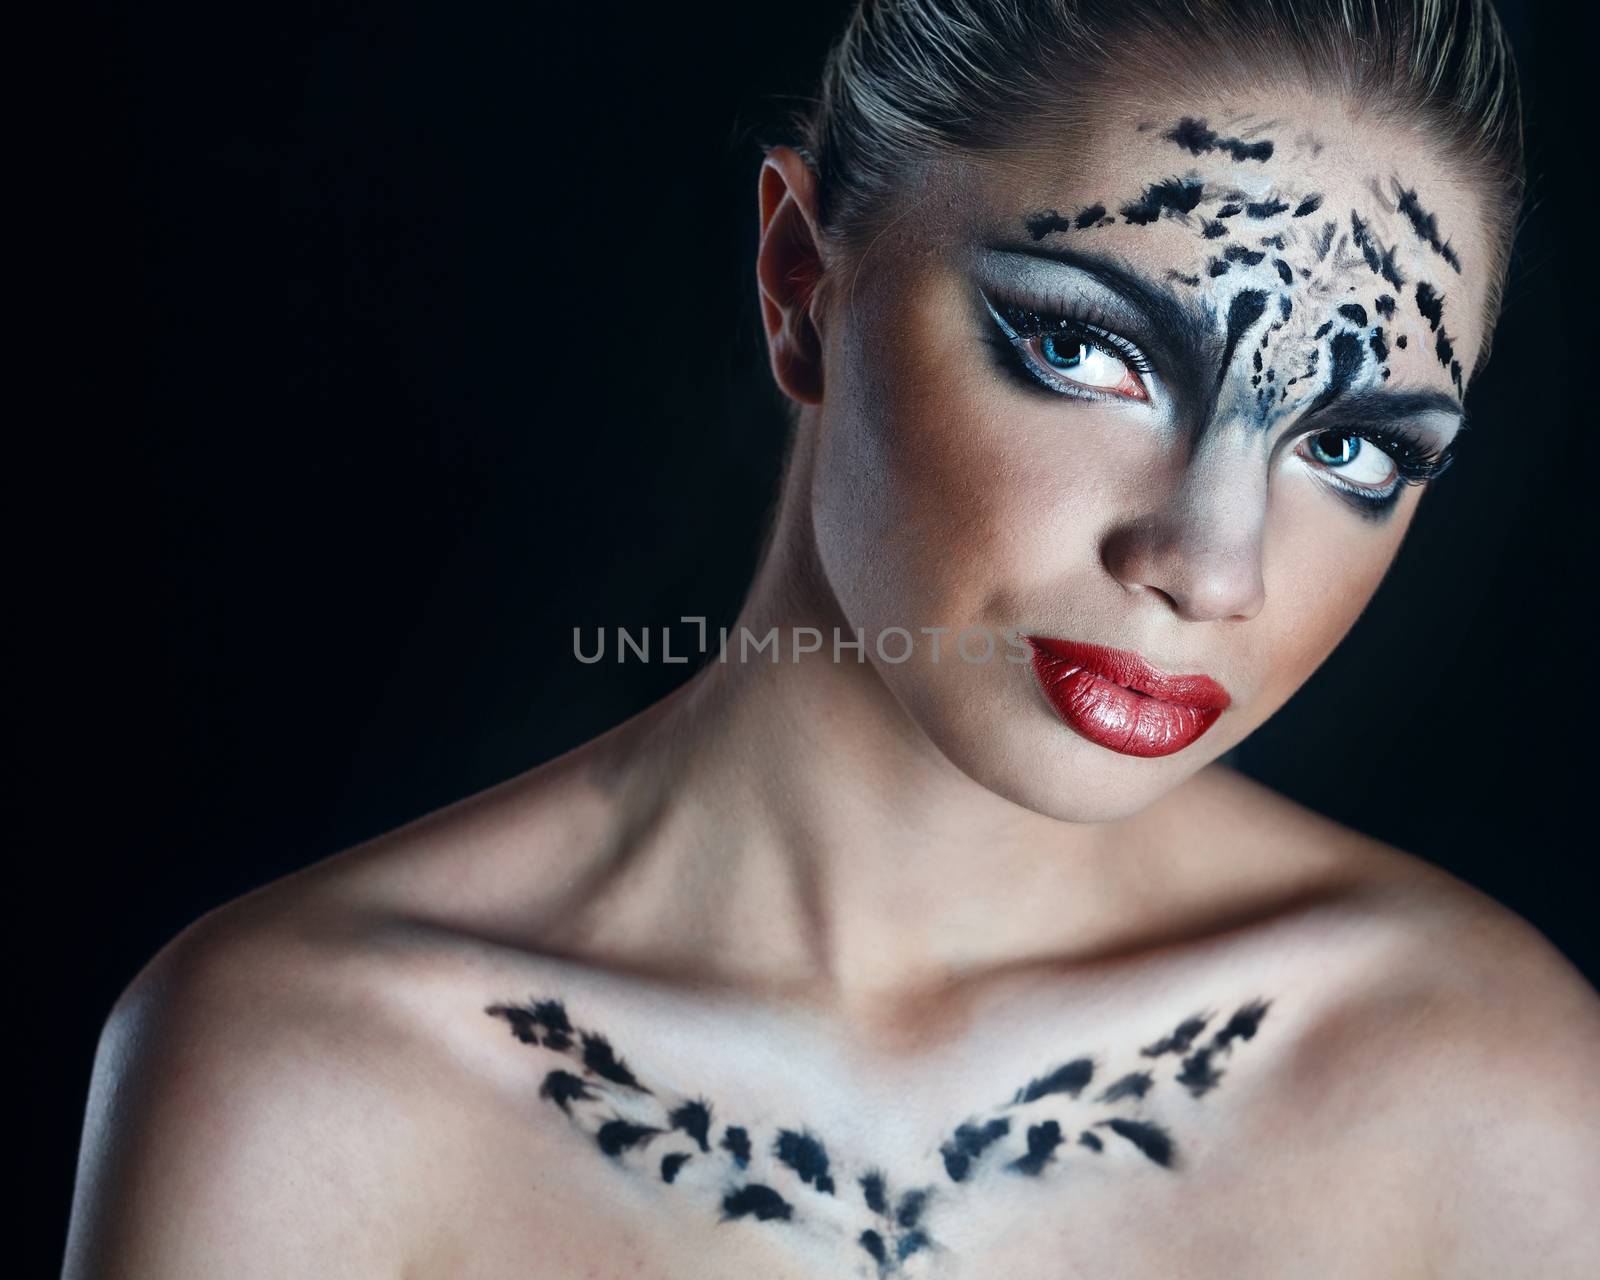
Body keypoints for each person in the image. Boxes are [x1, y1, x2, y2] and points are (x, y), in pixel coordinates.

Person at [63, 1, 1599, 1276]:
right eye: (1090, 350)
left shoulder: (1492, 1083)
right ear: (801, 282)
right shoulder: (307, 1074)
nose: (1210, 565)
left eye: (1354, 450)